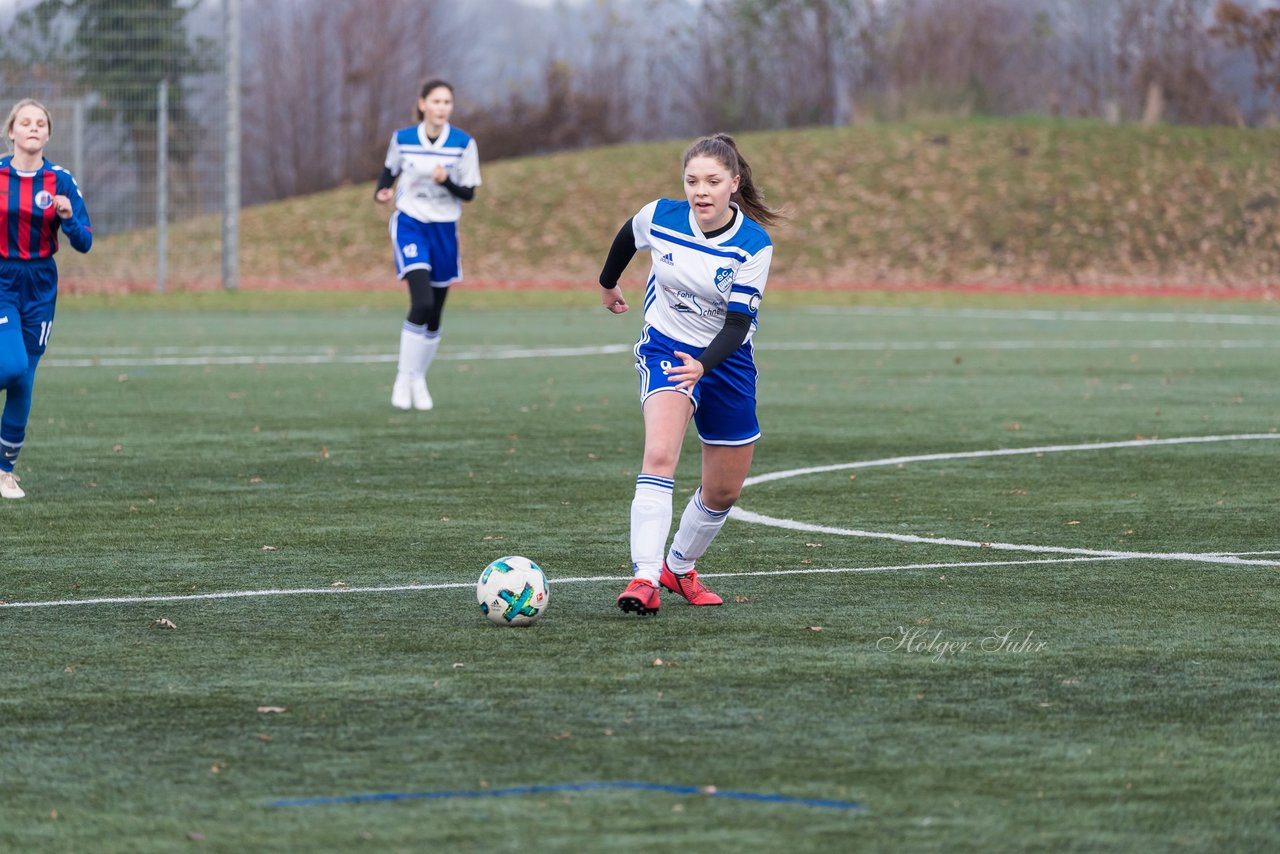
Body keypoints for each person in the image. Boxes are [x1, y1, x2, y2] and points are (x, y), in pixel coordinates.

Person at [598, 133, 781, 615]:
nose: (701, 190)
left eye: (713, 181)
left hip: (725, 359)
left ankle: (678, 567)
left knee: (724, 490)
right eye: (692, 180)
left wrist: (705, 364)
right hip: (666, 347)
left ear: (734, 184)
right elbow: (625, 238)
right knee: (659, 454)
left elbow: (739, 324)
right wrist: (607, 283)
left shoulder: (753, 245)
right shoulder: (661, 216)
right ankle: (643, 577)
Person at [0, 99, 93, 500]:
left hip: (41, 285)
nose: (33, 128)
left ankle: (5, 472)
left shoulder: (60, 180)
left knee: (26, 379)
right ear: (12, 132)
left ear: (48, 134)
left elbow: (85, 242)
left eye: (41, 123)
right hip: (2, 278)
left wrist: (69, 217)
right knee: (13, 368)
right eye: (25, 122)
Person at [374, 79, 481, 411]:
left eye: (447, 102)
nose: (442, 107)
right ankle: (403, 376)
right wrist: (382, 192)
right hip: (410, 224)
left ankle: (418, 377)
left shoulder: (462, 144)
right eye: (436, 101)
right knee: (420, 301)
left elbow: (469, 193)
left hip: (444, 230)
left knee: (434, 313)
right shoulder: (403, 139)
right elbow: (388, 171)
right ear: (422, 104)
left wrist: (445, 180)